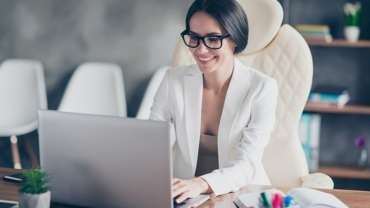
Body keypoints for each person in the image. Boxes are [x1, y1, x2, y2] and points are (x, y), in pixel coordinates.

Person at [150, 0, 278, 203]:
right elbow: (152, 144)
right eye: (194, 38)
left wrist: (200, 184)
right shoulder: (172, 80)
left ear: (235, 39)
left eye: (212, 38)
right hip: (185, 196)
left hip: (241, 195)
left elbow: (247, 164)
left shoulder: (262, 88)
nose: (200, 50)